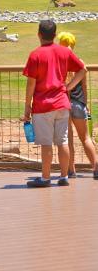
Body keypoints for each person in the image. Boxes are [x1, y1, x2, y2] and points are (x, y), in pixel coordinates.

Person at [22, 20, 86, 188]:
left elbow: (31, 83)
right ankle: (64, 176)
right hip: (62, 103)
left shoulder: (35, 54)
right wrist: (68, 87)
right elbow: (82, 70)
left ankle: (45, 178)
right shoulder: (64, 51)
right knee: (62, 141)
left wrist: (27, 105)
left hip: (43, 106)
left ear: (39, 34)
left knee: (46, 143)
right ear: (55, 35)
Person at [57, 31, 98, 179]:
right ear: (73, 44)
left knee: (67, 139)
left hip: (63, 104)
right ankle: (95, 166)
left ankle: (71, 170)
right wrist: (85, 104)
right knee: (85, 137)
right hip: (79, 103)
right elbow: (85, 86)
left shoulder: (58, 63)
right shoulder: (80, 62)